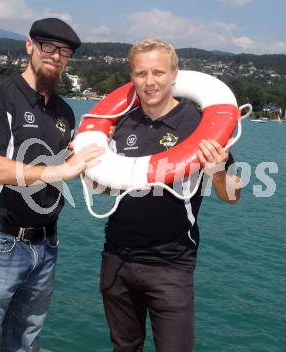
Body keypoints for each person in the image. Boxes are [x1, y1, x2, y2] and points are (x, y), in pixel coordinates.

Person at [0, 18, 104, 352]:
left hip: (46, 244)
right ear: (29, 46)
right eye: (47, 46)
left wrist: (97, 170)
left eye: (63, 51)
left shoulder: (65, 112)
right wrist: (61, 171)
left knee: (25, 341)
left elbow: (68, 165)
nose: (55, 55)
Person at [99, 39, 242, 352]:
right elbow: (107, 188)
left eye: (158, 72)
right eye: (141, 73)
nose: (150, 82)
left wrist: (217, 171)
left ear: (174, 74)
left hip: (170, 265)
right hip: (117, 258)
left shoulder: (198, 125)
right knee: (124, 347)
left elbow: (233, 195)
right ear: (131, 76)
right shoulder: (121, 124)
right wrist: (91, 165)